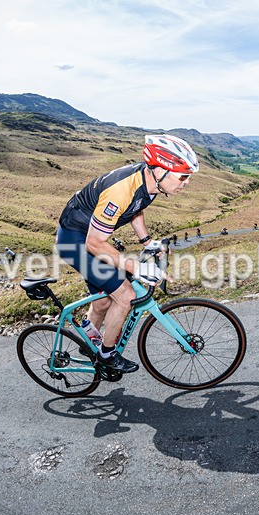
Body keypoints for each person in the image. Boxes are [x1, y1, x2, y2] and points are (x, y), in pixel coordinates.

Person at [55, 134, 198, 372]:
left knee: (102, 302)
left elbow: (136, 208)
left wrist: (147, 241)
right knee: (125, 295)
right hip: (76, 241)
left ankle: (87, 341)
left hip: (89, 236)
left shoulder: (150, 182)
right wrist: (138, 268)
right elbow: (95, 244)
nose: (186, 182)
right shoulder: (121, 190)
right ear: (161, 169)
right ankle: (107, 356)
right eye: (183, 176)